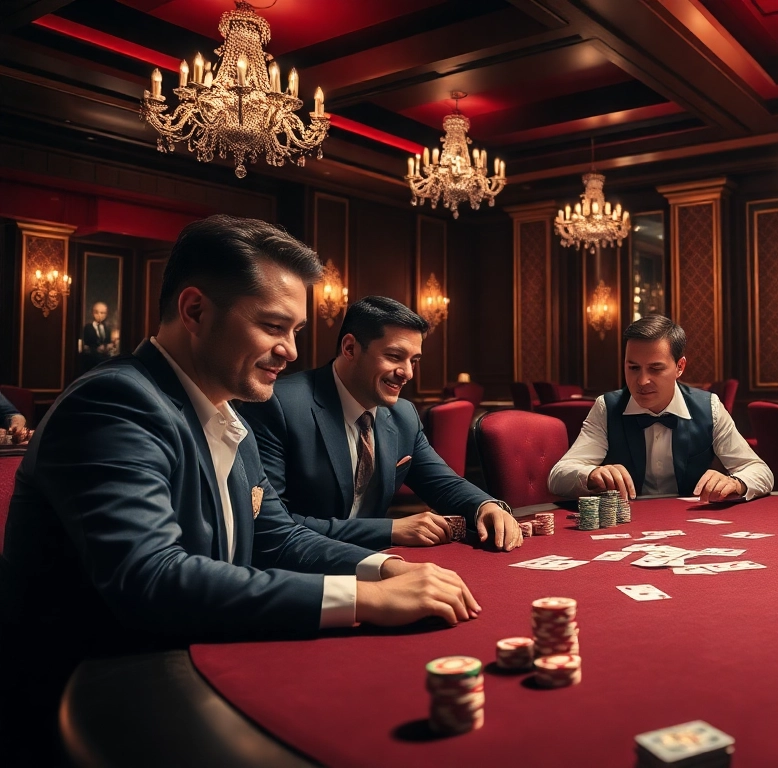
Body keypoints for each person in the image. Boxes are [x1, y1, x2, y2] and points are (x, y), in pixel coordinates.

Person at [0, 215, 481, 761]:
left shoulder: (231, 415)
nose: (292, 351)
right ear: (195, 311)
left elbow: (278, 539)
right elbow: (150, 578)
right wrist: (365, 598)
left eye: (295, 332)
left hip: (192, 664)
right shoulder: (116, 403)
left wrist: (386, 568)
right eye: (275, 327)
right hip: (93, 709)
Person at [236, 296, 521, 552]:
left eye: (414, 360)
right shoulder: (280, 405)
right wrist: (390, 529)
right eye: (394, 356)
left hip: (372, 560)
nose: (407, 373)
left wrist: (486, 506)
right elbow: (274, 524)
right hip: (300, 571)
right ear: (350, 348)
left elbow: (444, 484)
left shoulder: (404, 416)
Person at [548, 315, 772, 502]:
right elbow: (558, 477)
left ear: (680, 367)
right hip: (626, 527)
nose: (642, 380)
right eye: (633, 368)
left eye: (655, 369)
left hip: (693, 526)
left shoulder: (709, 407)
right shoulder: (607, 407)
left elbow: (760, 471)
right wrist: (591, 474)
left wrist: (736, 483)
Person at [79, 301, 117, 373]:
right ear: (93, 313)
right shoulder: (88, 328)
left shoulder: (107, 328)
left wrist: (107, 346)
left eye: (103, 313)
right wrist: (96, 349)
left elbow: (108, 342)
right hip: (91, 361)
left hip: (104, 360)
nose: (100, 315)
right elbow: (85, 346)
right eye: (97, 312)